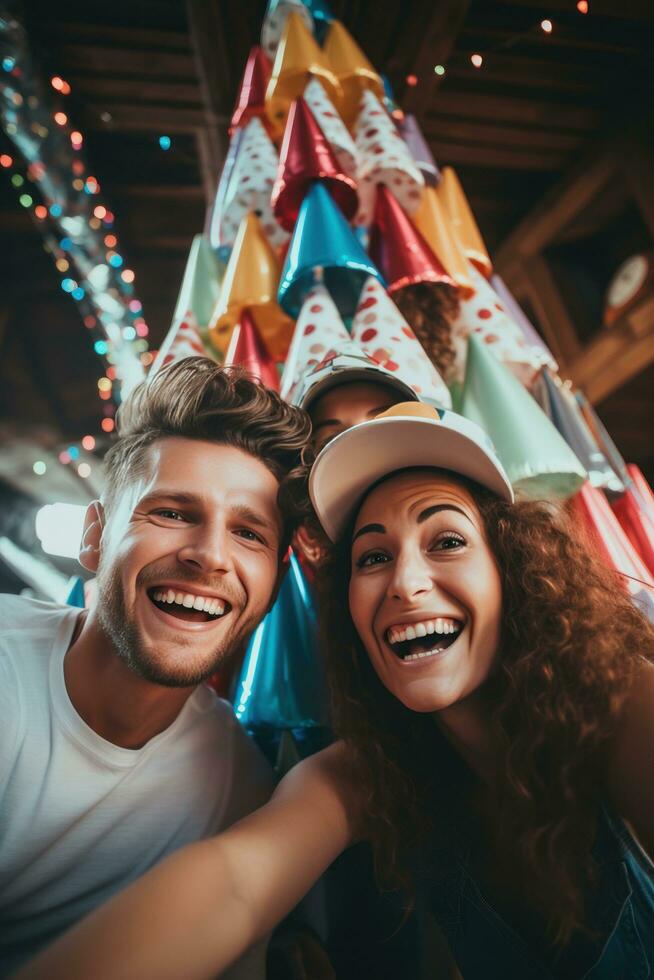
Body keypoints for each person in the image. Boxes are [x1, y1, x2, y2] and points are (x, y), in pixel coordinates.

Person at [17, 402, 654, 980]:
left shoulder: (622, 708)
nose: (405, 582)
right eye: (372, 557)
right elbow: (237, 884)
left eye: (448, 542)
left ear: (512, 570)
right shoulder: (368, 773)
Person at [0, 356, 310, 979]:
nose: (209, 556)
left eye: (249, 533)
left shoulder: (241, 791)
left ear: (273, 586)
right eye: (172, 512)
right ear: (95, 536)